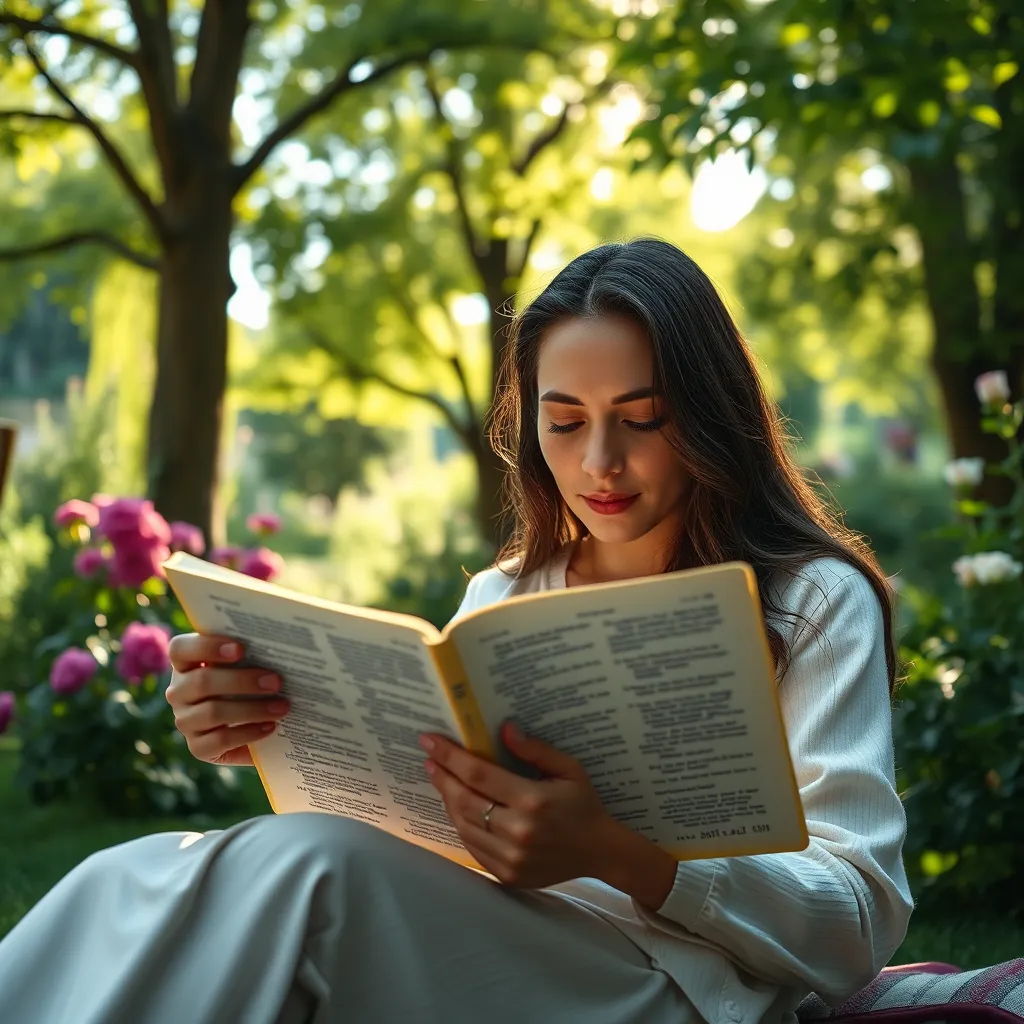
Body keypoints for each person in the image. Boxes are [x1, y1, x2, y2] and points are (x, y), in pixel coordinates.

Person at [0, 238, 914, 1024]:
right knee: (126, 875)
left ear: (711, 416)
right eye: (565, 422)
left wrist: (623, 856)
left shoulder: (808, 601)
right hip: (494, 939)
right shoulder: (508, 592)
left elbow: (858, 922)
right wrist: (273, 732)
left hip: (682, 987)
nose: (599, 462)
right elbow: (420, 828)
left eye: (642, 420)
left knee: (315, 873)